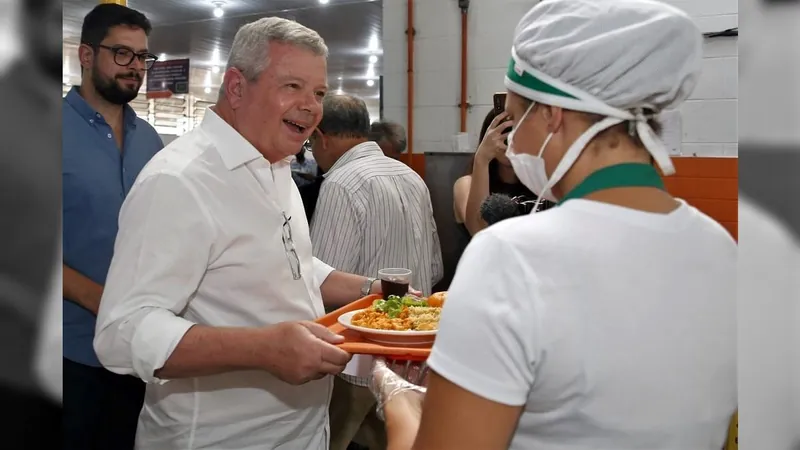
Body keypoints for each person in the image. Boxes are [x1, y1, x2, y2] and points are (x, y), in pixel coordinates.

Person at [372, 1, 737, 449]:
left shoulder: (513, 255)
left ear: (553, 116)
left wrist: (399, 401)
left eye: (516, 116)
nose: (514, 140)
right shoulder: (719, 246)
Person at [93, 17, 388, 450]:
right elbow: (121, 332)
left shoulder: (275, 165)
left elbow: (293, 263)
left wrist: (373, 291)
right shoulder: (180, 181)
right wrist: (262, 350)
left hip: (301, 433)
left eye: (319, 93)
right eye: (292, 87)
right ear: (236, 88)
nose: (311, 106)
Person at [309, 94, 443, 450]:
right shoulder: (411, 176)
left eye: (310, 142)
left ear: (322, 136)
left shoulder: (341, 183)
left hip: (357, 360)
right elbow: (434, 268)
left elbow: (319, 282)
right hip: (410, 361)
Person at [62, 4, 163, 449]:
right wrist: (103, 301)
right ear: (86, 55)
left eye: (143, 57)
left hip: (139, 353)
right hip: (68, 351)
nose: (135, 67)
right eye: (122, 54)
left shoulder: (151, 141)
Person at [453, 108, 554, 238]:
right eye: (503, 135)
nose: (509, 144)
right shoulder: (466, 184)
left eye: (516, 135)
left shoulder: (540, 184)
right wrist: (482, 159)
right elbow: (479, 230)